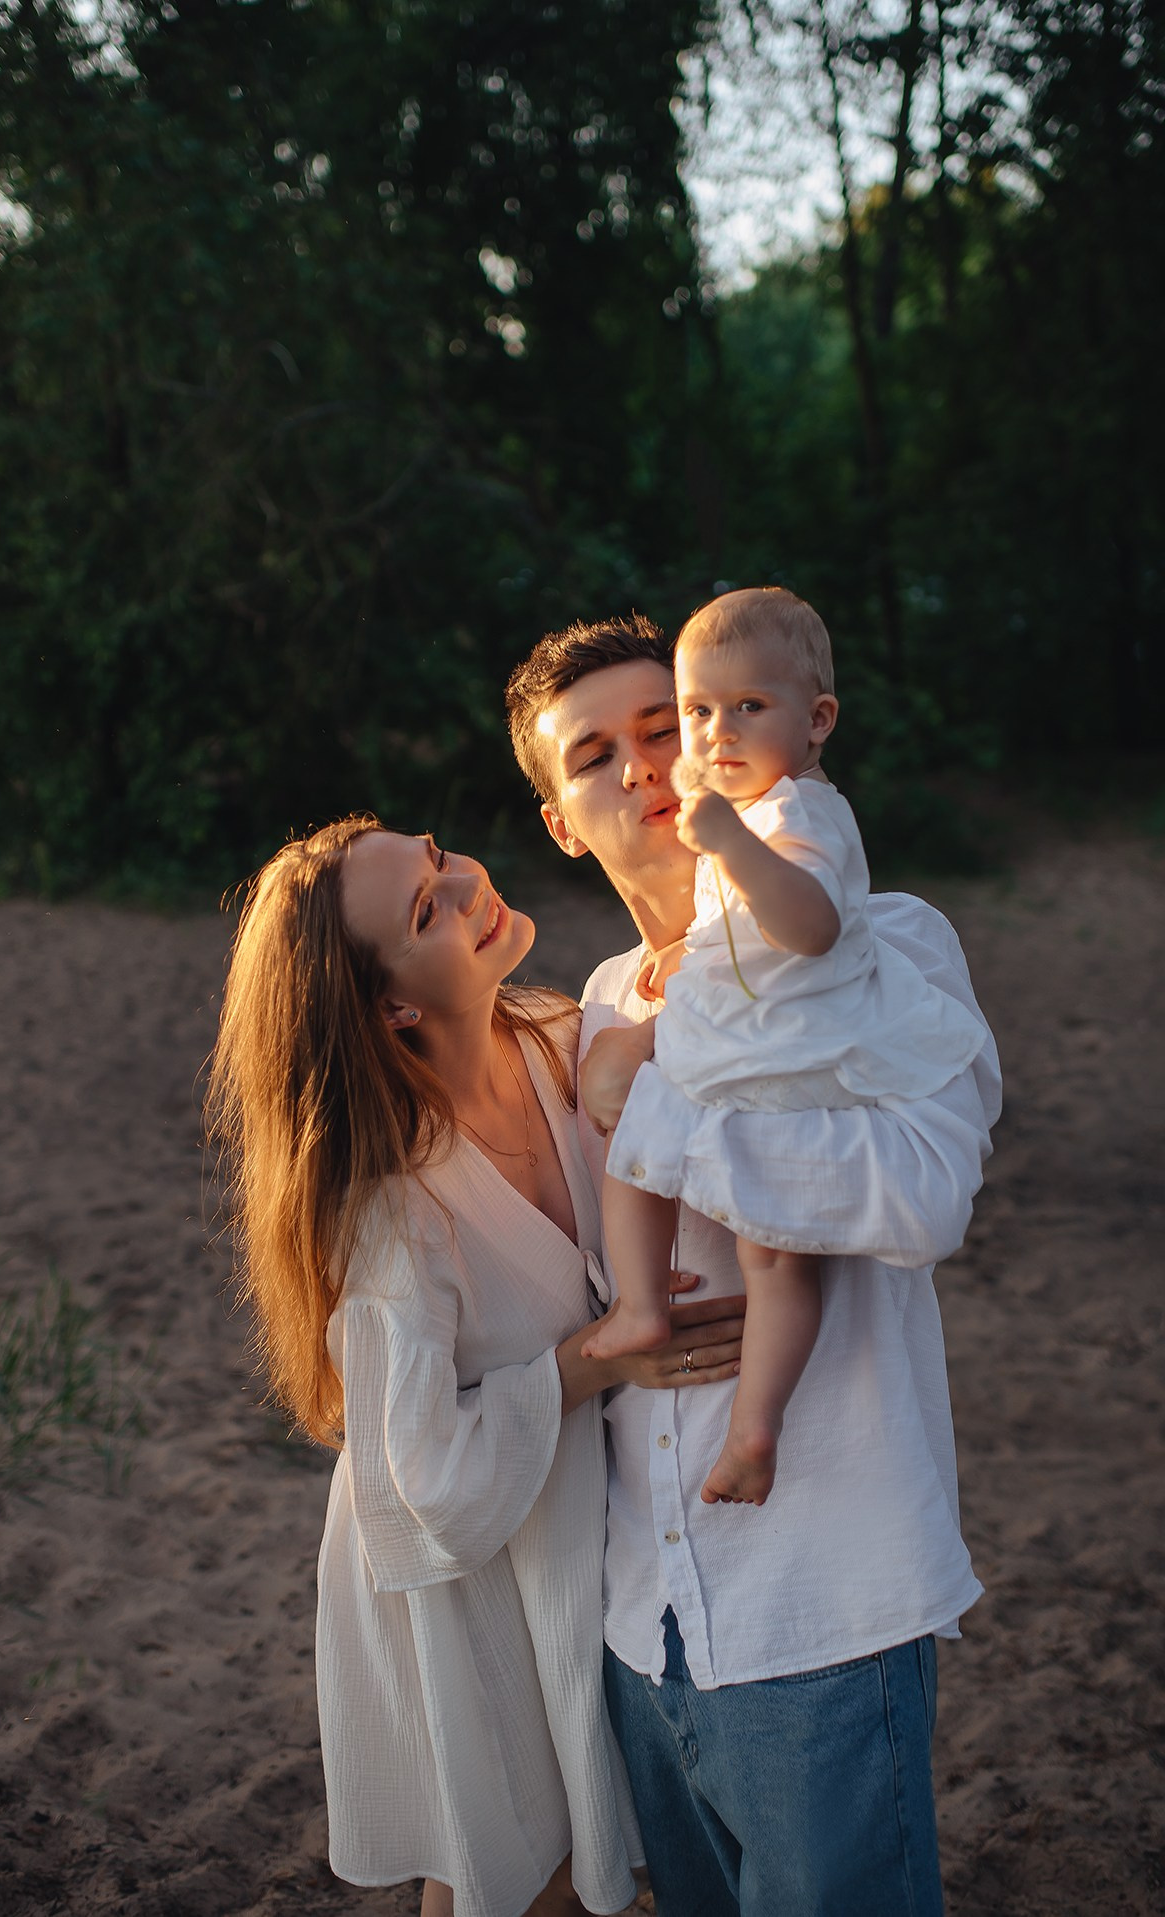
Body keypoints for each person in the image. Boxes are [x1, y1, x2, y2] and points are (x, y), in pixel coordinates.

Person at [506, 614, 1002, 1917]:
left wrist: (655, 1096)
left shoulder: (884, 944)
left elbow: (921, 1196)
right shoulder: (590, 1004)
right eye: (595, 755)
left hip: (819, 1602)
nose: (644, 765)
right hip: (640, 1622)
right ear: (562, 825)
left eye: (661, 727)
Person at [205, 816, 746, 1917]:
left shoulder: (555, 1038)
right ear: (391, 1006)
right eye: (425, 910)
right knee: (514, 1876)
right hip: (460, 1574)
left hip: (565, 1536)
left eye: (438, 857)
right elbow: (422, 1486)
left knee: (556, 1863)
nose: (465, 885)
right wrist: (600, 1355)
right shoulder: (392, 1209)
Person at [583, 589, 985, 1508]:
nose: (711, 736)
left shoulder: (804, 827)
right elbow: (732, 946)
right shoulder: (603, 989)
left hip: (781, 1061)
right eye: (696, 713)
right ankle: (702, 1371)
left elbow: (810, 926)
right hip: (754, 1055)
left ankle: (709, 1375)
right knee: (730, 1230)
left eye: (746, 707)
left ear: (818, 721)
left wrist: (729, 843)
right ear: (560, 824)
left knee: (689, 1185)